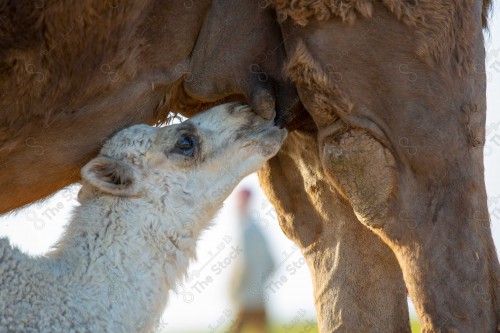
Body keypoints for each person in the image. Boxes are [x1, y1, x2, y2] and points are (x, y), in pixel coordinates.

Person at [231, 188, 275, 333]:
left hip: (246, 298)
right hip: (259, 296)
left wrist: (236, 287)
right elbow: (271, 263)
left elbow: (244, 264)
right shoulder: (258, 230)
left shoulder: (247, 231)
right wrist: (260, 283)